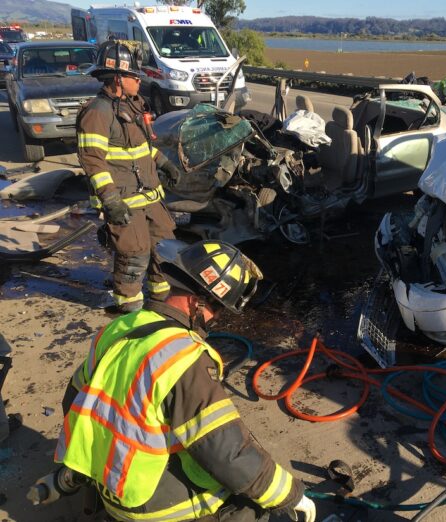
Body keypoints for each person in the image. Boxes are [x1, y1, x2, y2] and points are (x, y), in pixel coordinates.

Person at [49, 239, 317, 522]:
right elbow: (224, 450)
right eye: (219, 308)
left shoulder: (119, 328)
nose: (216, 318)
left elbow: (74, 401)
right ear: (197, 301)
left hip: (109, 481)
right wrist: (290, 494)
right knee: (251, 506)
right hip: (147, 502)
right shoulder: (184, 358)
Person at [77, 40, 183, 313]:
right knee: (134, 253)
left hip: (149, 195)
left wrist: (165, 164)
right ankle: (128, 309)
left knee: (165, 247)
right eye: (133, 75)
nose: (140, 79)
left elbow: (142, 148)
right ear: (116, 79)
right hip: (123, 199)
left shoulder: (134, 106)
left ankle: (162, 302)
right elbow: (92, 161)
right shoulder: (97, 113)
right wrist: (110, 200)